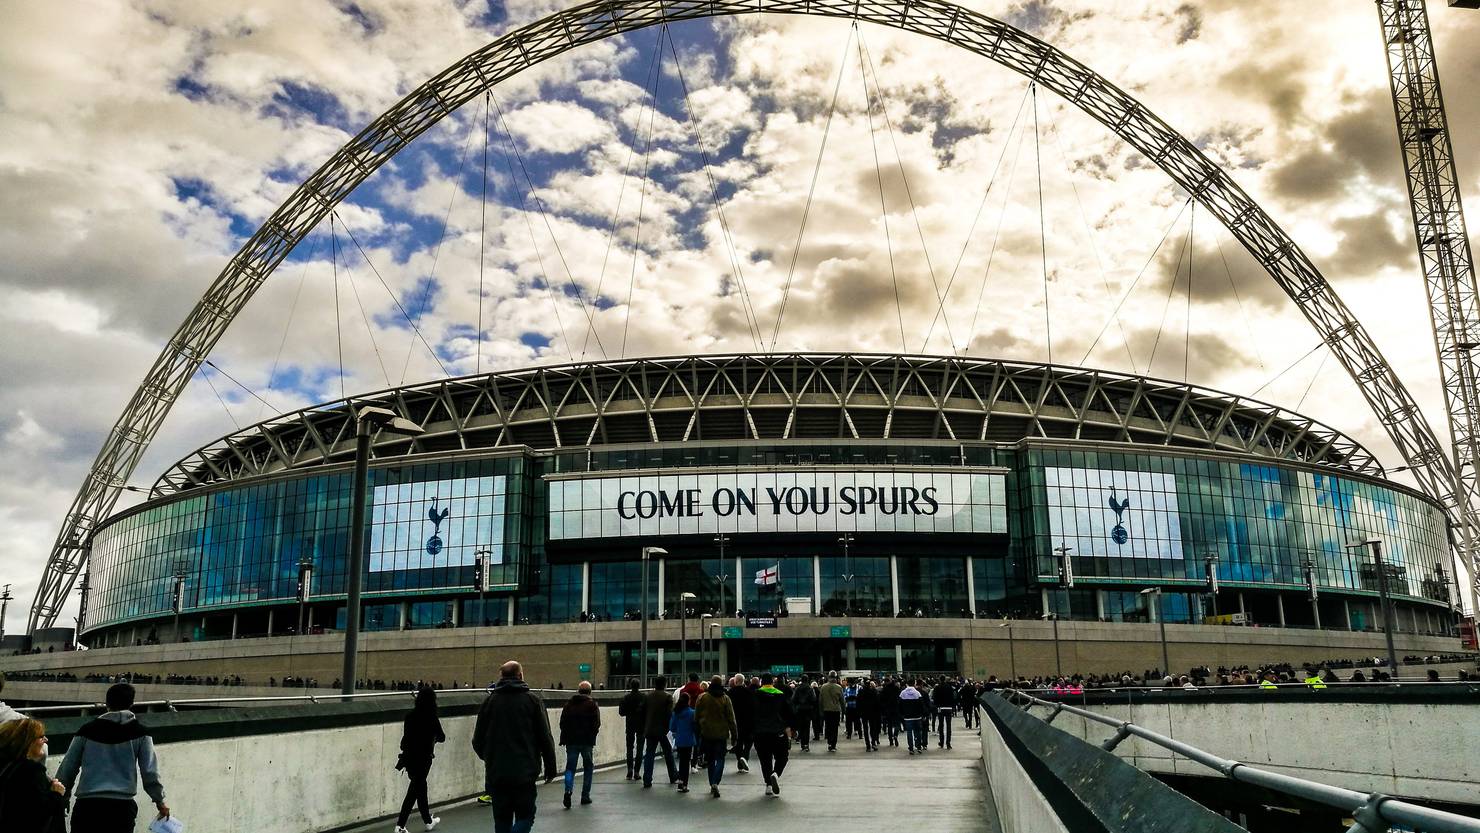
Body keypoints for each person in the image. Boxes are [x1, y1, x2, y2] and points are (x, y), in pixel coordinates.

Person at [56, 683, 168, 832]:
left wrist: (62, 798)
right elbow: (150, 772)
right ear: (131, 704)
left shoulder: (86, 731)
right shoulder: (141, 733)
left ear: (107, 703)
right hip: (122, 809)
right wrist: (160, 801)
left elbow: (68, 768)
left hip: (88, 807)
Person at [471, 661, 557, 833]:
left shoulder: (489, 702)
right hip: (524, 771)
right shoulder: (532, 701)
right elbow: (544, 737)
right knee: (526, 816)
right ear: (520, 675)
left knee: (502, 819)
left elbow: (477, 740)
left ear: (501, 677)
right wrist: (550, 767)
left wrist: (490, 758)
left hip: (498, 772)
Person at [0, 717, 66, 833]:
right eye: (41, 737)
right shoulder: (31, 771)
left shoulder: (6, 768)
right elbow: (40, 811)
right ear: (28, 741)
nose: (46, 739)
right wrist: (57, 793)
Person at [395, 685, 445, 833]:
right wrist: (433, 739)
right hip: (424, 758)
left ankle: (428, 821)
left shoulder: (409, 716)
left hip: (409, 758)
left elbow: (407, 738)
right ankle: (400, 825)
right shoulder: (432, 717)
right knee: (415, 790)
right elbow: (442, 737)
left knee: (419, 788)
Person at [750, 673, 794, 797]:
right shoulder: (780, 695)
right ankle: (776, 773)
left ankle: (768, 785)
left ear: (761, 682)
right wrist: (790, 728)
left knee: (765, 759)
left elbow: (750, 714)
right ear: (772, 682)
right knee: (782, 756)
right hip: (777, 731)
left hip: (760, 732)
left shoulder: (755, 695)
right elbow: (789, 713)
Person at [558, 681, 600, 808]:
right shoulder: (592, 705)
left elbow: (562, 723)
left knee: (570, 768)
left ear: (578, 691)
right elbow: (596, 724)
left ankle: (568, 790)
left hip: (571, 741)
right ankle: (585, 795)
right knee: (588, 767)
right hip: (586, 741)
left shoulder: (568, 705)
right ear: (590, 692)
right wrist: (592, 735)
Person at [694, 676, 737, 798]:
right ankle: (716, 782)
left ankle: (711, 782)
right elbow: (731, 719)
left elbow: (696, 716)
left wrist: (697, 730)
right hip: (721, 733)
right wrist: (734, 735)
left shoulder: (702, 698)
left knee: (710, 759)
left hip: (706, 733)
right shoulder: (725, 698)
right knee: (720, 758)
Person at [641, 677, 678, 788]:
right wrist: (669, 729)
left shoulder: (648, 696)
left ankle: (647, 779)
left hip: (650, 729)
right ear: (665, 684)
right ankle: (673, 776)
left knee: (649, 754)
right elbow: (669, 714)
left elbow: (643, 712)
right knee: (668, 753)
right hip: (663, 730)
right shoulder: (667, 697)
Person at [668, 692, 697, 793]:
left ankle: (680, 782)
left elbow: (672, 727)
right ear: (688, 701)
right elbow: (695, 727)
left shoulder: (676, 713)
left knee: (681, 762)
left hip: (679, 740)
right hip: (689, 740)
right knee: (686, 762)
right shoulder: (692, 713)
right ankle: (684, 784)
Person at [618, 680, 645, 780]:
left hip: (630, 724)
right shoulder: (643, 697)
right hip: (641, 725)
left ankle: (629, 769)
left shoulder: (626, 698)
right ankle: (637, 771)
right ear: (639, 686)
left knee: (629, 748)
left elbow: (621, 712)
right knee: (640, 748)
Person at [727, 674, 754, 772]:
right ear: (743, 681)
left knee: (738, 742)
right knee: (749, 741)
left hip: (735, 721)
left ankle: (740, 761)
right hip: (747, 721)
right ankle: (745, 756)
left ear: (735, 681)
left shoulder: (730, 693)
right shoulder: (749, 692)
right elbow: (753, 707)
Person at [789, 674, 817, 752]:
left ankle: (802, 744)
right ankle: (806, 744)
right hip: (808, 710)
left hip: (799, 710)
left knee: (800, 727)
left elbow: (793, 699)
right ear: (807, 680)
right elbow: (814, 699)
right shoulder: (810, 689)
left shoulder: (797, 689)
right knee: (807, 727)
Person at [818, 672, 844, 752]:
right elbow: (842, 700)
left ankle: (829, 742)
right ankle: (833, 745)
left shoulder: (823, 687)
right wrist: (844, 710)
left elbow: (820, 700)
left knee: (828, 726)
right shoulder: (839, 687)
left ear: (829, 677)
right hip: (836, 710)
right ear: (835, 678)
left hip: (826, 710)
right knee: (835, 728)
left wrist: (820, 710)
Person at [899, 680, 927, 754]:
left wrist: (902, 714)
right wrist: (923, 714)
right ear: (914, 684)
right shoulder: (917, 693)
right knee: (918, 732)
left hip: (907, 717)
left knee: (909, 732)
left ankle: (911, 748)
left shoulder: (903, 693)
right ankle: (918, 747)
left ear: (907, 684)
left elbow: (899, 705)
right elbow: (921, 705)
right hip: (917, 716)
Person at [858, 678, 881, 751]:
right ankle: (873, 743)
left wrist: (859, 712)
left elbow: (858, 703)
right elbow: (877, 703)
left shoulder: (861, 692)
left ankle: (868, 745)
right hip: (873, 713)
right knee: (873, 728)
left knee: (865, 729)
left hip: (864, 713)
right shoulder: (874, 691)